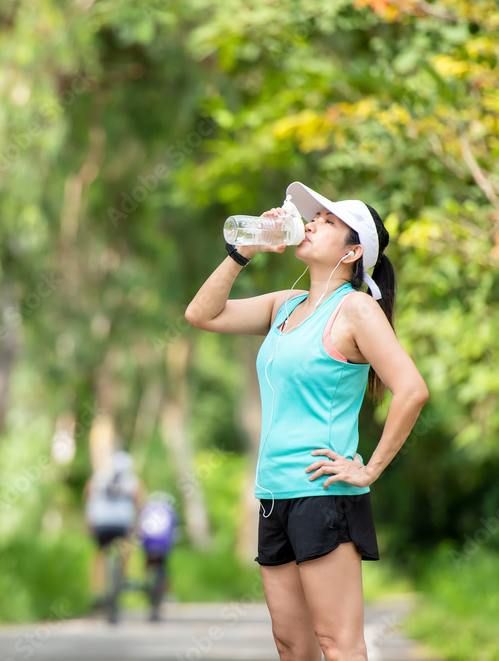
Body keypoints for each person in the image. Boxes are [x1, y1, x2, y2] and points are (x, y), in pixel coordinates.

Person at [184, 182, 429, 661]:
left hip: (325, 495)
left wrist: (369, 469)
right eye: (313, 216)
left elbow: (412, 389)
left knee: (337, 645)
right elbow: (201, 314)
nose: (311, 222)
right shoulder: (285, 305)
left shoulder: (356, 308)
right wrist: (243, 253)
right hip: (274, 494)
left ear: (353, 251)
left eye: (328, 221)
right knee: (291, 647)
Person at [84, 450, 143, 604]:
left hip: (101, 522)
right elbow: (138, 502)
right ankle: (121, 579)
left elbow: (88, 496)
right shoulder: (132, 481)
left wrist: (89, 520)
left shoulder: (98, 478)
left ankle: (97, 590)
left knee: (100, 553)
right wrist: (138, 523)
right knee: (126, 549)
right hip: (123, 523)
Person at [137, 491, 178, 622]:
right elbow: (173, 529)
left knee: (148, 563)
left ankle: (146, 585)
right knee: (164, 567)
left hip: (148, 542)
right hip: (163, 544)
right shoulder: (169, 511)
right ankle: (166, 594)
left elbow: (140, 527)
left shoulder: (147, 509)